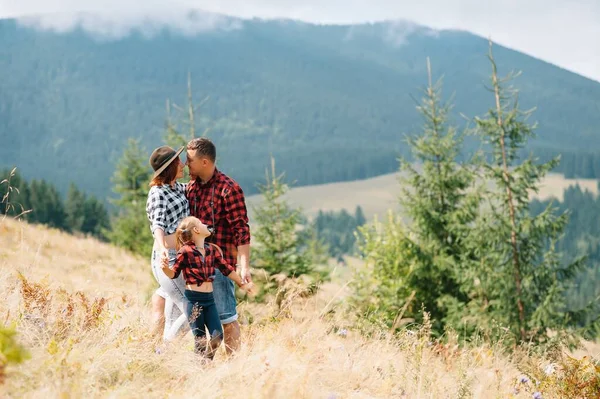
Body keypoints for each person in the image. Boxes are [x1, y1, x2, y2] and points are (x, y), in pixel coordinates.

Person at [185, 137, 252, 353]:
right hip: (194, 269)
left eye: (190, 160)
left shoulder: (228, 189)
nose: (187, 164)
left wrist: (243, 266)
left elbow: (241, 230)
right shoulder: (190, 189)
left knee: (226, 318)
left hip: (219, 268)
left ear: (205, 162)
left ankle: (234, 365)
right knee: (198, 322)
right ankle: (205, 365)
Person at [161, 216, 255, 358]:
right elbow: (174, 273)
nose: (206, 224)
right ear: (197, 230)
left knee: (217, 336)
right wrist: (164, 269)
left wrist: (241, 283)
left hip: (209, 301)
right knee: (201, 339)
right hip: (193, 301)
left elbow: (226, 269)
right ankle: (201, 368)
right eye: (202, 223)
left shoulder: (212, 250)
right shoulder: (185, 252)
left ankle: (206, 361)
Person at [146, 145, 190, 341]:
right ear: (169, 167)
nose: (182, 164)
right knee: (192, 308)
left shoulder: (176, 188)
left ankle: (163, 353)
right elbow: (157, 224)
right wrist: (164, 248)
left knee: (173, 315)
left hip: (180, 257)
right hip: (168, 259)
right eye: (178, 161)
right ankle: (166, 349)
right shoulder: (158, 193)